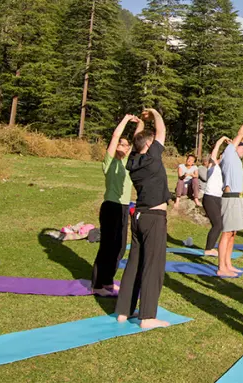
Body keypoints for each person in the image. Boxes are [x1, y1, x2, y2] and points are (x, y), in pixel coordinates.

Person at [115, 108, 170, 329]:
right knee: (153, 266)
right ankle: (147, 316)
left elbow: (142, 141)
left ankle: (123, 311)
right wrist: (155, 113)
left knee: (134, 264)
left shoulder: (132, 162)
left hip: (138, 216)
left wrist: (138, 125)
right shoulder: (152, 157)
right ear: (148, 146)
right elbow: (161, 131)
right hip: (154, 217)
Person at [91, 114, 140, 297]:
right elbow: (114, 137)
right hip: (111, 206)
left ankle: (108, 281)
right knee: (107, 246)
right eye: (121, 144)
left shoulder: (128, 163)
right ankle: (97, 285)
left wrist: (141, 122)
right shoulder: (110, 162)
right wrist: (126, 120)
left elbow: (137, 141)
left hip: (124, 207)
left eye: (126, 145)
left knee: (120, 247)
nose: (123, 146)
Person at [216, 120, 243, 277]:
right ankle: (221, 267)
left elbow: (242, 141)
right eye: (242, 148)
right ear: (233, 147)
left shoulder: (235, 157)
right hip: (230, 198)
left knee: (233, 233)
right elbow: (238, 137)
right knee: (226, 233)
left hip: (237, 198)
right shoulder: (228, 155)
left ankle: (228, 263)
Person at [200, 139, 226, 257]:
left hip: (218, 198)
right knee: (218, 224)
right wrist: (221, 140)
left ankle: (210, 247)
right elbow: (214, 153)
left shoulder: (221, 169)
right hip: (209, 197)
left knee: (219, 224)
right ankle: (208, 249)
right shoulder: (212, 165)